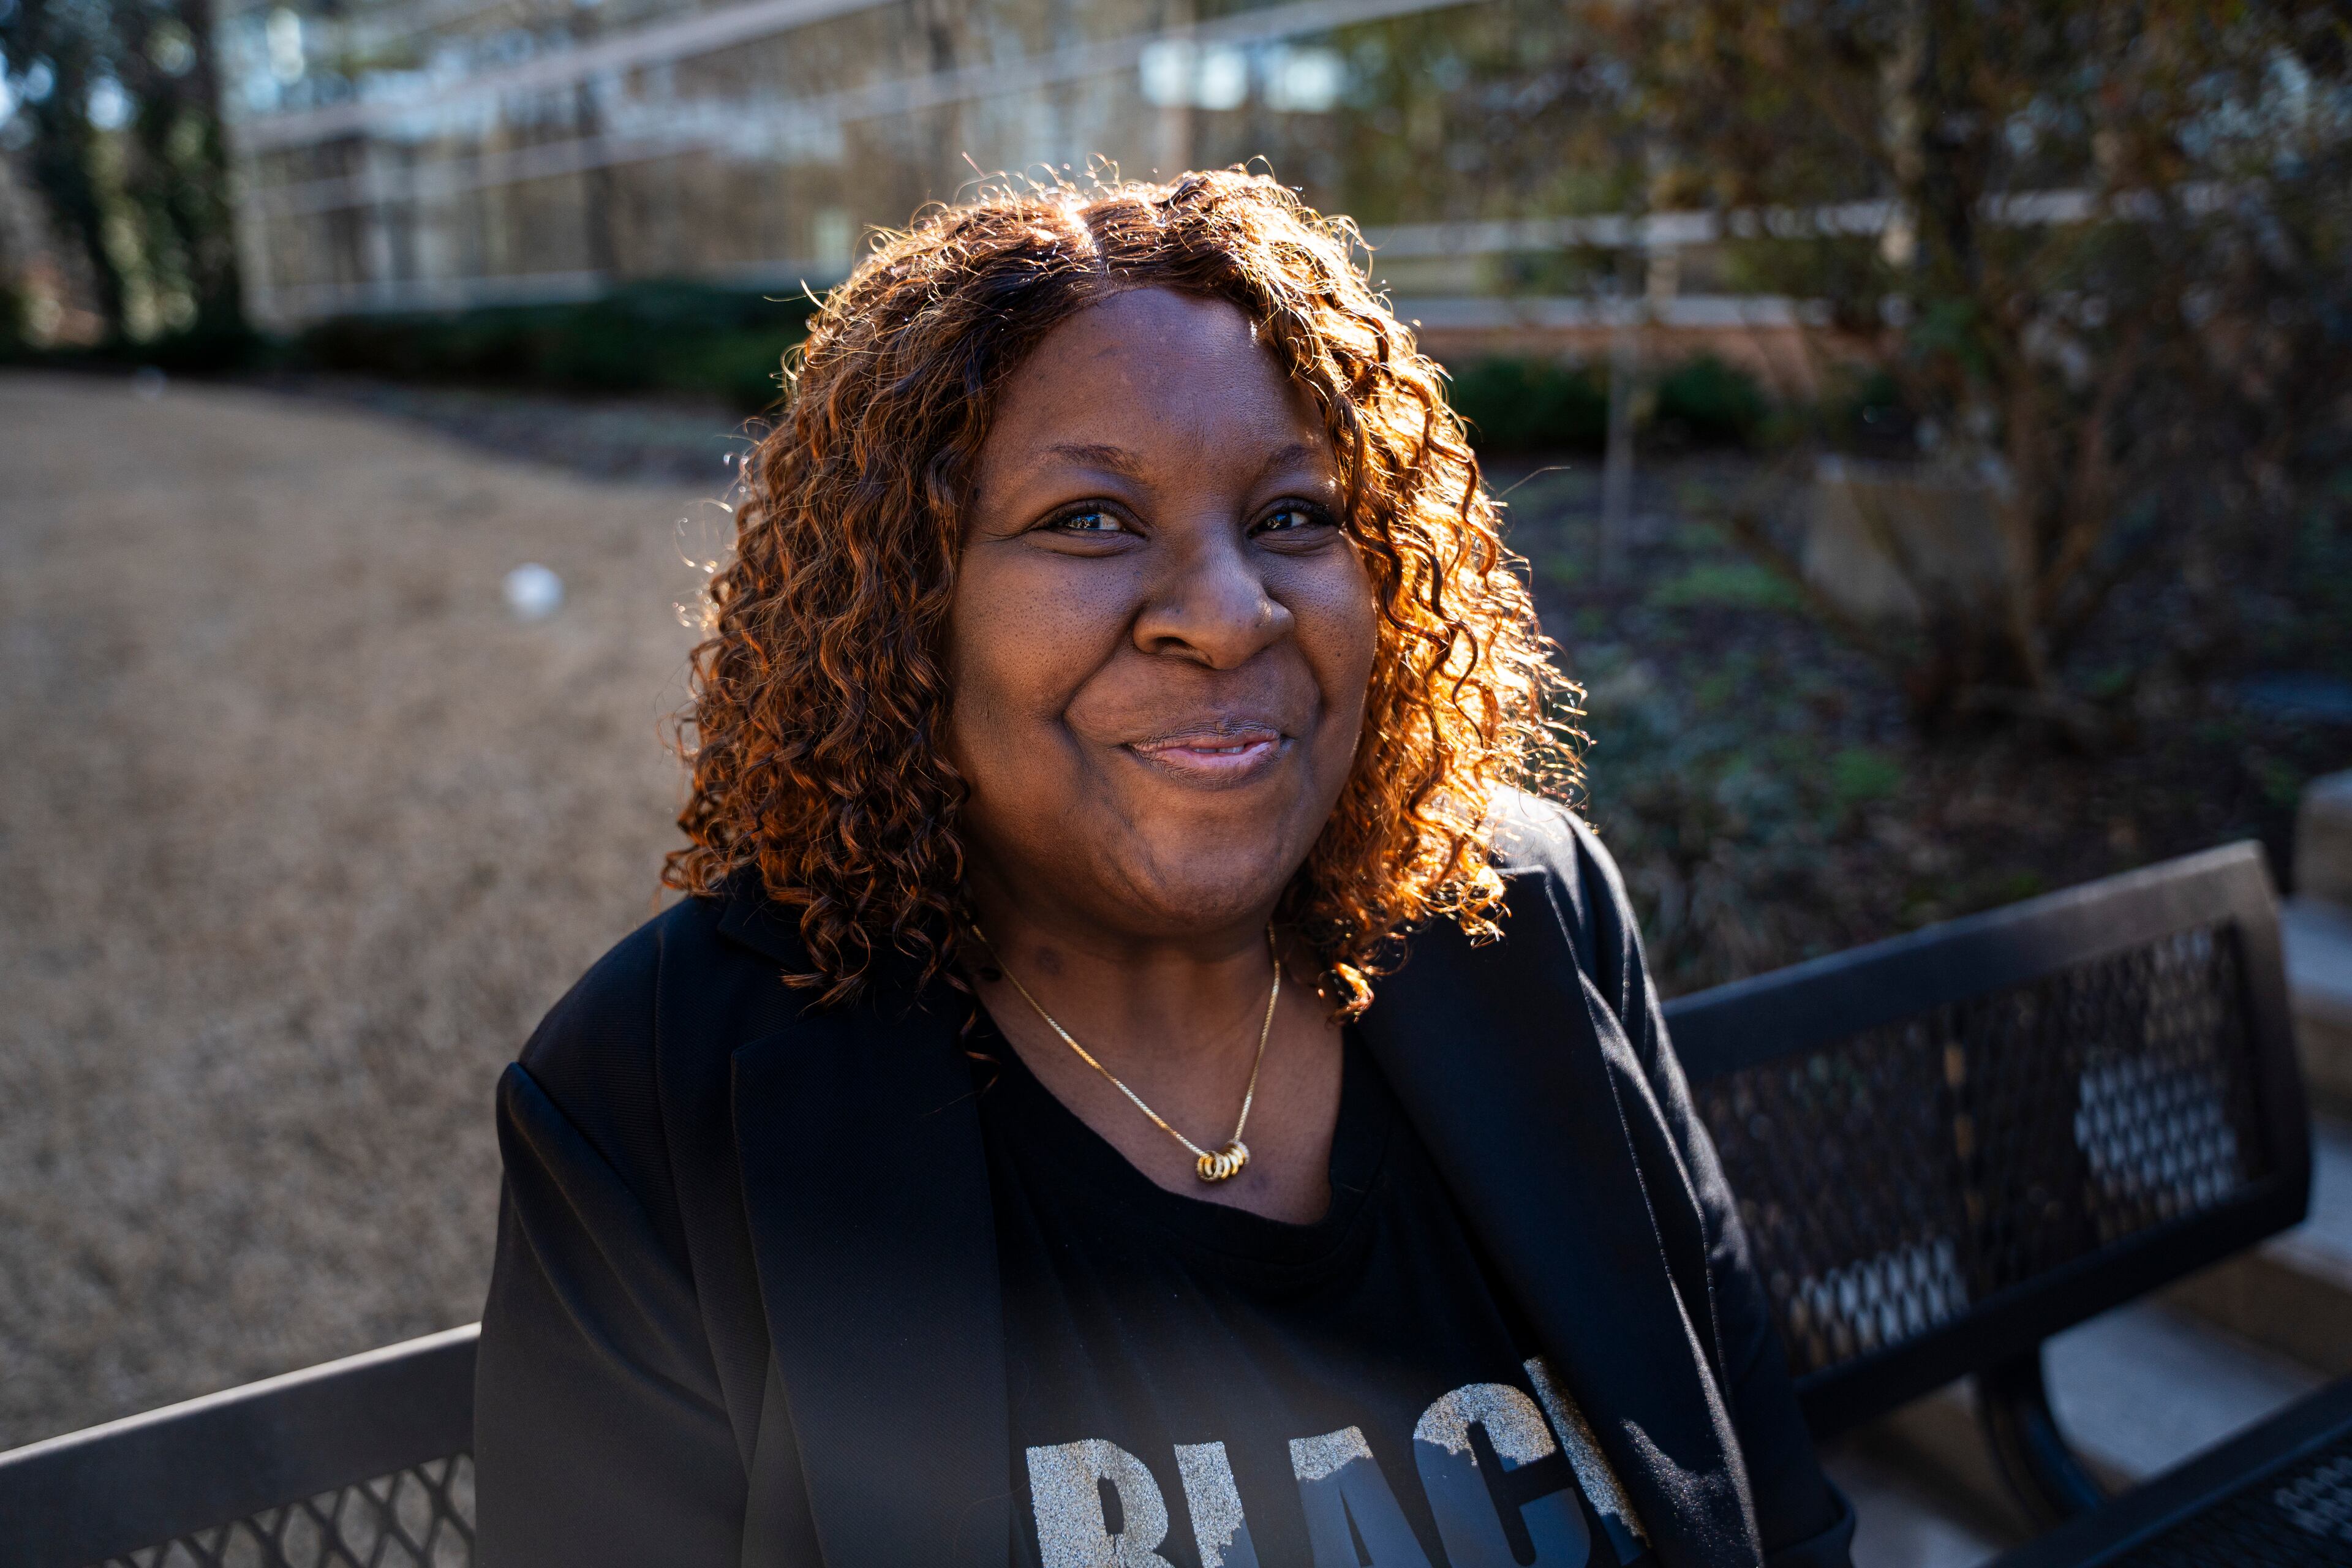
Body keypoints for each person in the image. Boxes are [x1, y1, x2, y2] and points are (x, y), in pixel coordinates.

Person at [473, 170, 1855, 1568]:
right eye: (1090, 518)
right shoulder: (660, 1084)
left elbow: (1778, 1520)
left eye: (1296, 516)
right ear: (909, 608)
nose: (1226, 611)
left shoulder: (1527, 912)